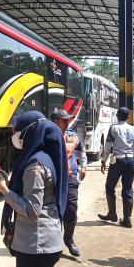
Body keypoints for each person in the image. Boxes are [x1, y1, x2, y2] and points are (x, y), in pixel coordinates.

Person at [0, 111, 68, 267]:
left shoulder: (34, 165)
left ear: (29, 132)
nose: (15, 135)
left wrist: (4, 191)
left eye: (17, 130)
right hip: (47, 242)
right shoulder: (45, 157)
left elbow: (32, 211)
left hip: (36, 246)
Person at [50, 107, 87, 257]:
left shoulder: (71, 136)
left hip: (71, 178)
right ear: (55, 121)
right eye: (64, 120)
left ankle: (69, 240)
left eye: (68, 120)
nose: (67, 122)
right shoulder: (49, 136)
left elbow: (80, 150)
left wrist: (83, 165)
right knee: (54, 211)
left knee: (71, 210)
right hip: (53, 179)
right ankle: (55, 242)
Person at [98, 106, 134, 228]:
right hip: (130, 160)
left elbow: (108, 146)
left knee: (109, 187)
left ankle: (112, 213)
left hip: (118, 161)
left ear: (117, 116)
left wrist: (103, 161)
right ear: (128, 117)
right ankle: (127, 219)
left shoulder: (113, 128)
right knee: (127, 188)